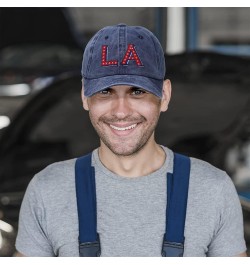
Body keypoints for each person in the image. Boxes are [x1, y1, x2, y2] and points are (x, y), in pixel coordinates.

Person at [15, 24, 247, 257]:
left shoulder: (213, 190)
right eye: (105, 91)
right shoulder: (47, 189)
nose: (121, 111)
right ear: (85, 96)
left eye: (137, 91)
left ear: (164, 96)